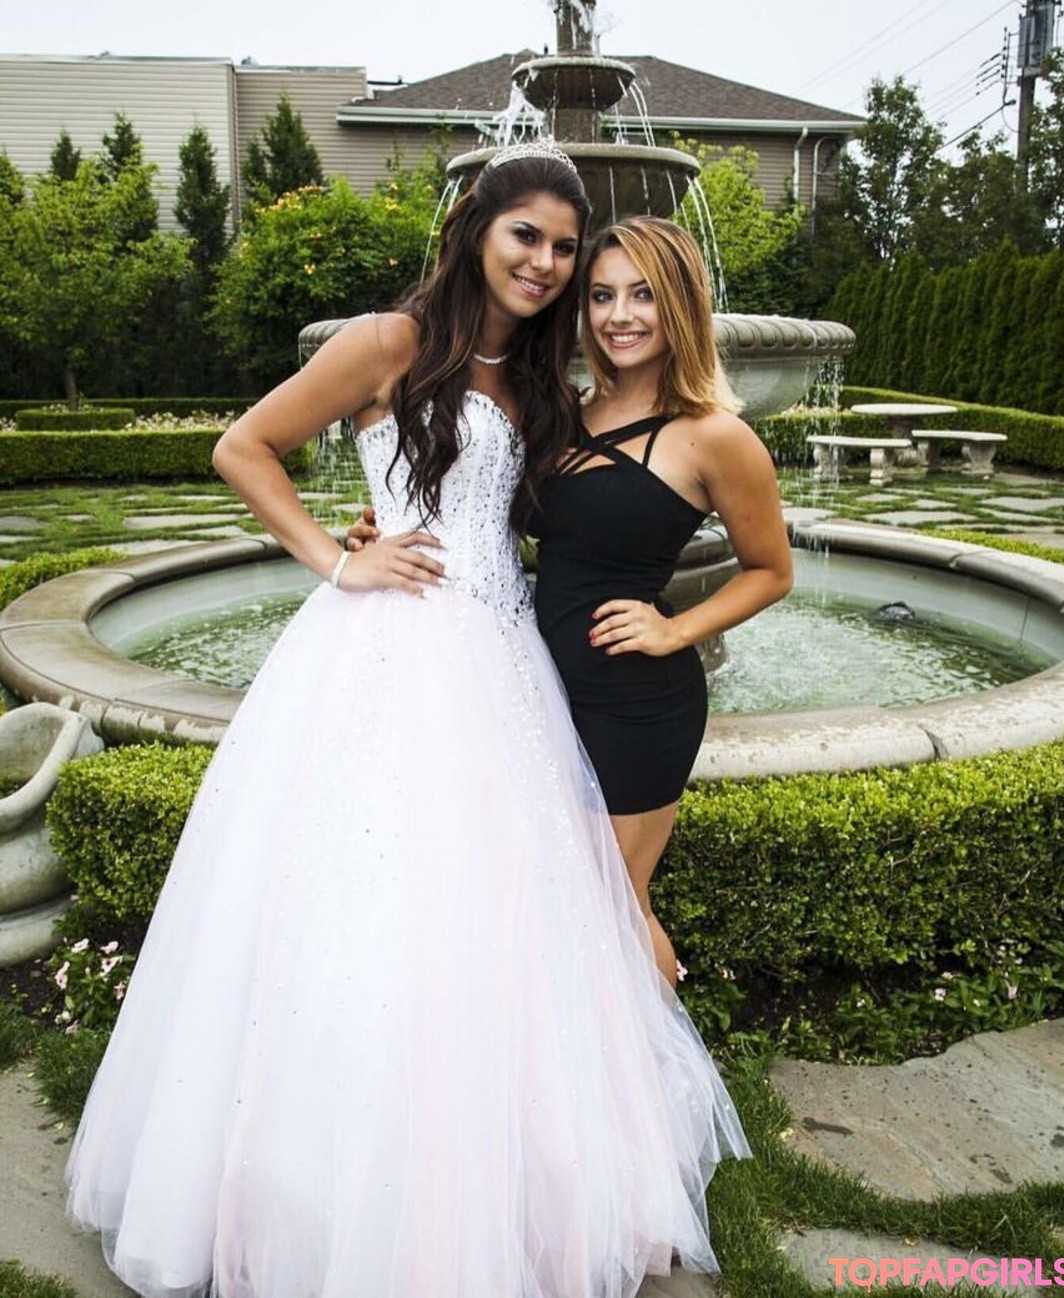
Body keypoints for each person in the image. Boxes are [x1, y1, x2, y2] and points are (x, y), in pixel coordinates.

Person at [65, 145, 749, 1298]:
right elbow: (243, 446)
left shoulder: (540, 377)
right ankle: (322, 1189)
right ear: (476, 226)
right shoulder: (391, 340)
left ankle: (495, 1175)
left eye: (563, 246)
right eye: (526, 235)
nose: (545, 262)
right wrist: (340, 556)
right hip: (389, 648)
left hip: (505, 659)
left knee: (501, 908)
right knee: (365, 898)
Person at [531, 216, 794, 988]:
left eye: (642, 295)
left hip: (636, 706)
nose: (619, 315)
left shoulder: (715, 435)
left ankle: (660, 1057)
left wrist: (676, 630)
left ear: (679, 303)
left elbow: (771, 571)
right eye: (602, 295)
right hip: (543, 691)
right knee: (563, 894)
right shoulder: (566, 412)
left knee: (615, 901)